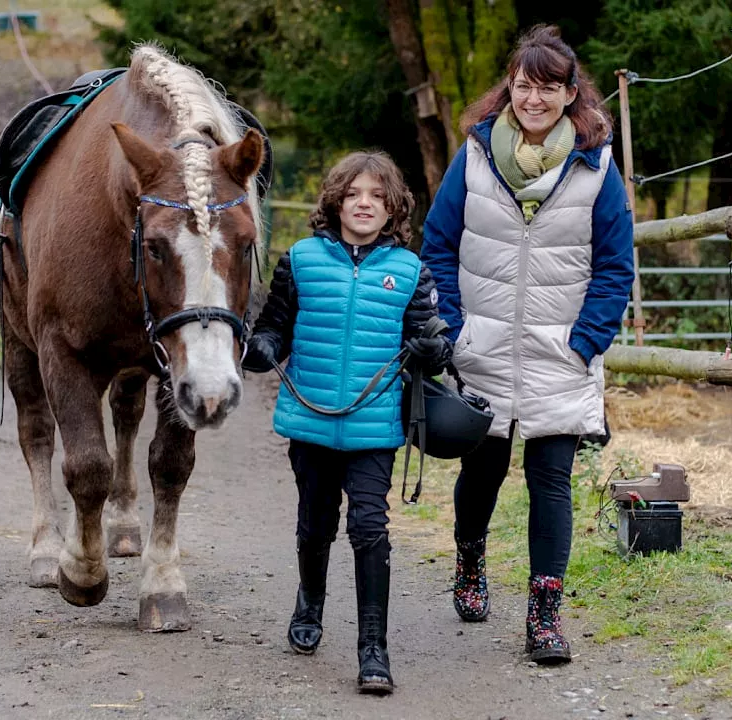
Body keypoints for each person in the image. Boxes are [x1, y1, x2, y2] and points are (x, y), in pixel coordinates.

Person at [419, 24, 635, 665]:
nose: (533, 98)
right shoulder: (476, 156)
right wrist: (453, 330)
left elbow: (615, 265)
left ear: (571, 94)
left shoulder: (597, 170)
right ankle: (469, 562)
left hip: (557, 355)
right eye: (523, 84)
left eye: (547, 87)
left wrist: (586, 342)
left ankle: (545, 615)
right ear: (508, 89)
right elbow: (438, 243)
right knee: (480, 473)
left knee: (551, 482)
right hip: (480, 346)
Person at [243, 151, 452, 694]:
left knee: (368, 528)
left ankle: (373, 648)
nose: (365, 204)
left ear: (393, 210)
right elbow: (273, 328)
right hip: (310, 422)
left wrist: (432, 349)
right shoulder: (301, 260)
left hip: (374, 427)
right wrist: (261, 348)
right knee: (315, 524)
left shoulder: (410, 270)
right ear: (335, 201)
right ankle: (309, 604)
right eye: (355, 194)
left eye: (378, 197)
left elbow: (432, 348)